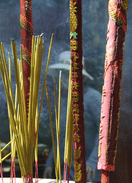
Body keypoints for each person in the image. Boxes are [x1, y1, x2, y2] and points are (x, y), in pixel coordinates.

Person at [42, 50, 102, 182]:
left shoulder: (93, 97)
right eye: (60, 74)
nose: (62, 78)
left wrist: (93, 162)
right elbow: (61, 134)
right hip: (67, 168)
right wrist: (50, 162)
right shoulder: (64, 100)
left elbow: (104, 132)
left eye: (65, 74)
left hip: (88, 168)